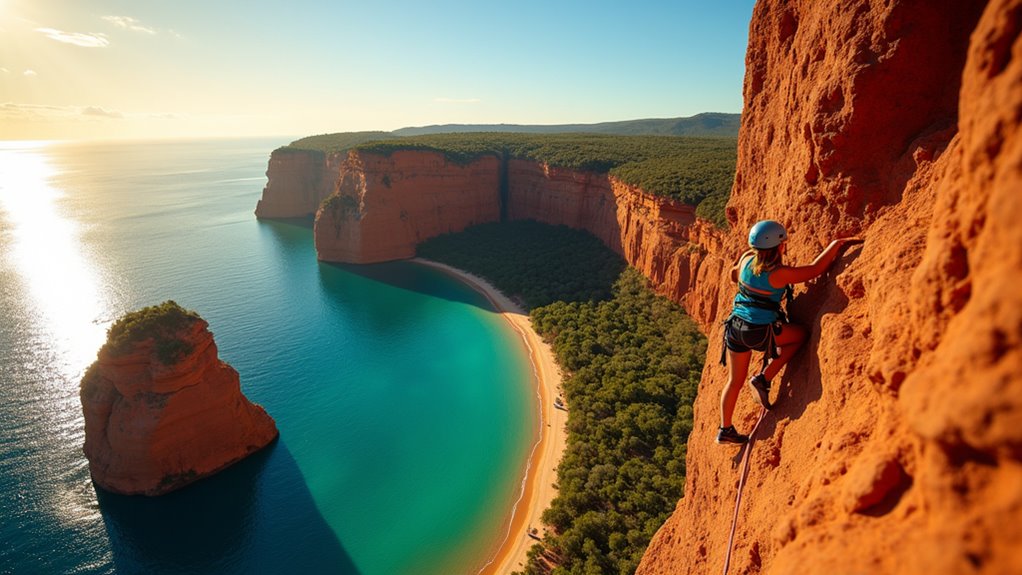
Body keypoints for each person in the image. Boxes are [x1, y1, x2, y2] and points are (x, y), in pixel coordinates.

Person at [716, 220, 862, 445]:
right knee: (800, 335)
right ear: (780, 246)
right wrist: (836, 244)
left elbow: (733, 275)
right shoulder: (779, 273)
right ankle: (763, 378)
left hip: (735, 327)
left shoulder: (746, 258)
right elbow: (815, 269)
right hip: (759, 330)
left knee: (734, 381)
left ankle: (725, 429)